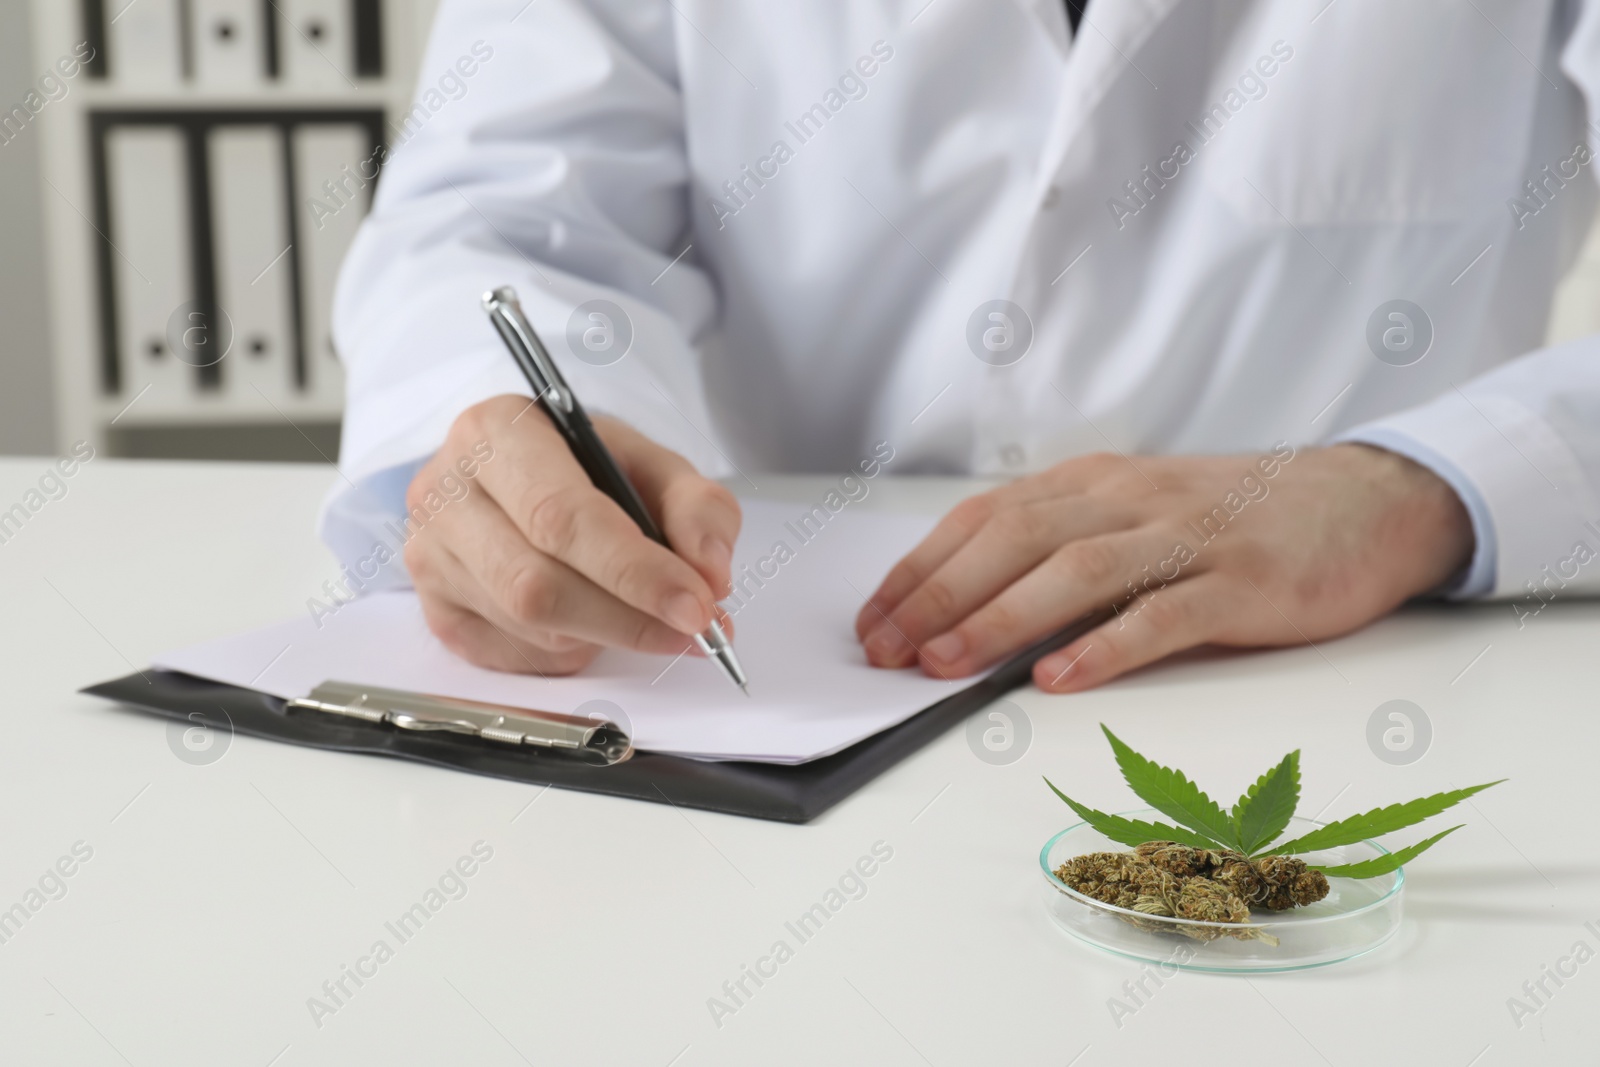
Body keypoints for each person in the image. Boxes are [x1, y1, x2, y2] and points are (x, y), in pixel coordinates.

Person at [322, 0, 1600, 693]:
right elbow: (499, 217)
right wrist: (513, 448)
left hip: (1368, 672)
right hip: (797, 683)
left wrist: (1413, 489)